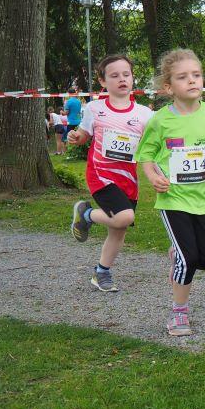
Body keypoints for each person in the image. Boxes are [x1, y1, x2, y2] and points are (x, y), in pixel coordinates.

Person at [137, 48, 205, 337]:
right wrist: (153, 177)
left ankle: (176, 254)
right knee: (189, 259)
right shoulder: (160, 120)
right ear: (169, 87)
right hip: (174, 199)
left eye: (196, 75)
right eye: (183, 77)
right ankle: (178, 314)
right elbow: (145, 155)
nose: (192, 80)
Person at [68, 54, 154, 293]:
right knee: (124, 217)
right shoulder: (94, 108)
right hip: (101, 175)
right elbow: (84, 135)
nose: (122, 79)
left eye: (126, 74)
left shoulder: (145, 114)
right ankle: (86, 215)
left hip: (128, 180)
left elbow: (151, 147)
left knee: (118, 229)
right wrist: (76, 136)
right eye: (114, 75)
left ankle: (101, 272)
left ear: (132, 78)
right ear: (103, 81)